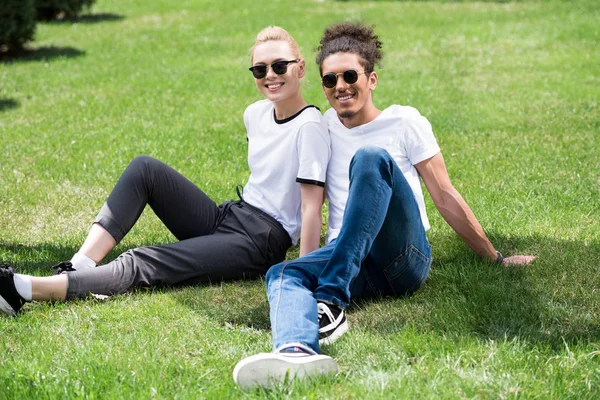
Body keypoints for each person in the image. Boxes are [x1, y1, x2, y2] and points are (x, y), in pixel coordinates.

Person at [233, 22, 536, 390]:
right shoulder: (324, 126)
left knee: (371, 158)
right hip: (350, 258)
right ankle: (298, 352)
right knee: (282, 274)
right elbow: (307, 195)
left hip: (402, 257)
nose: (341, 86)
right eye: (330, 80)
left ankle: (329, 299)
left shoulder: (404, 121)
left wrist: (494, 257)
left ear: (371, 79)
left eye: (350, 75)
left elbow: (444, 195)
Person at [0, 26, 330, 316]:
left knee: (146, 259)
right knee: (146, 168)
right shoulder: (255, 114)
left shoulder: (310, 127)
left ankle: (24, 289)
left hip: (260, 241)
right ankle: (80, 263)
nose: (269, 75)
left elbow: (310, 208)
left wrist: (302, 277)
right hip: (229, 216)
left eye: (279, 66)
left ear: (300, 68)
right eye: (260, 69)